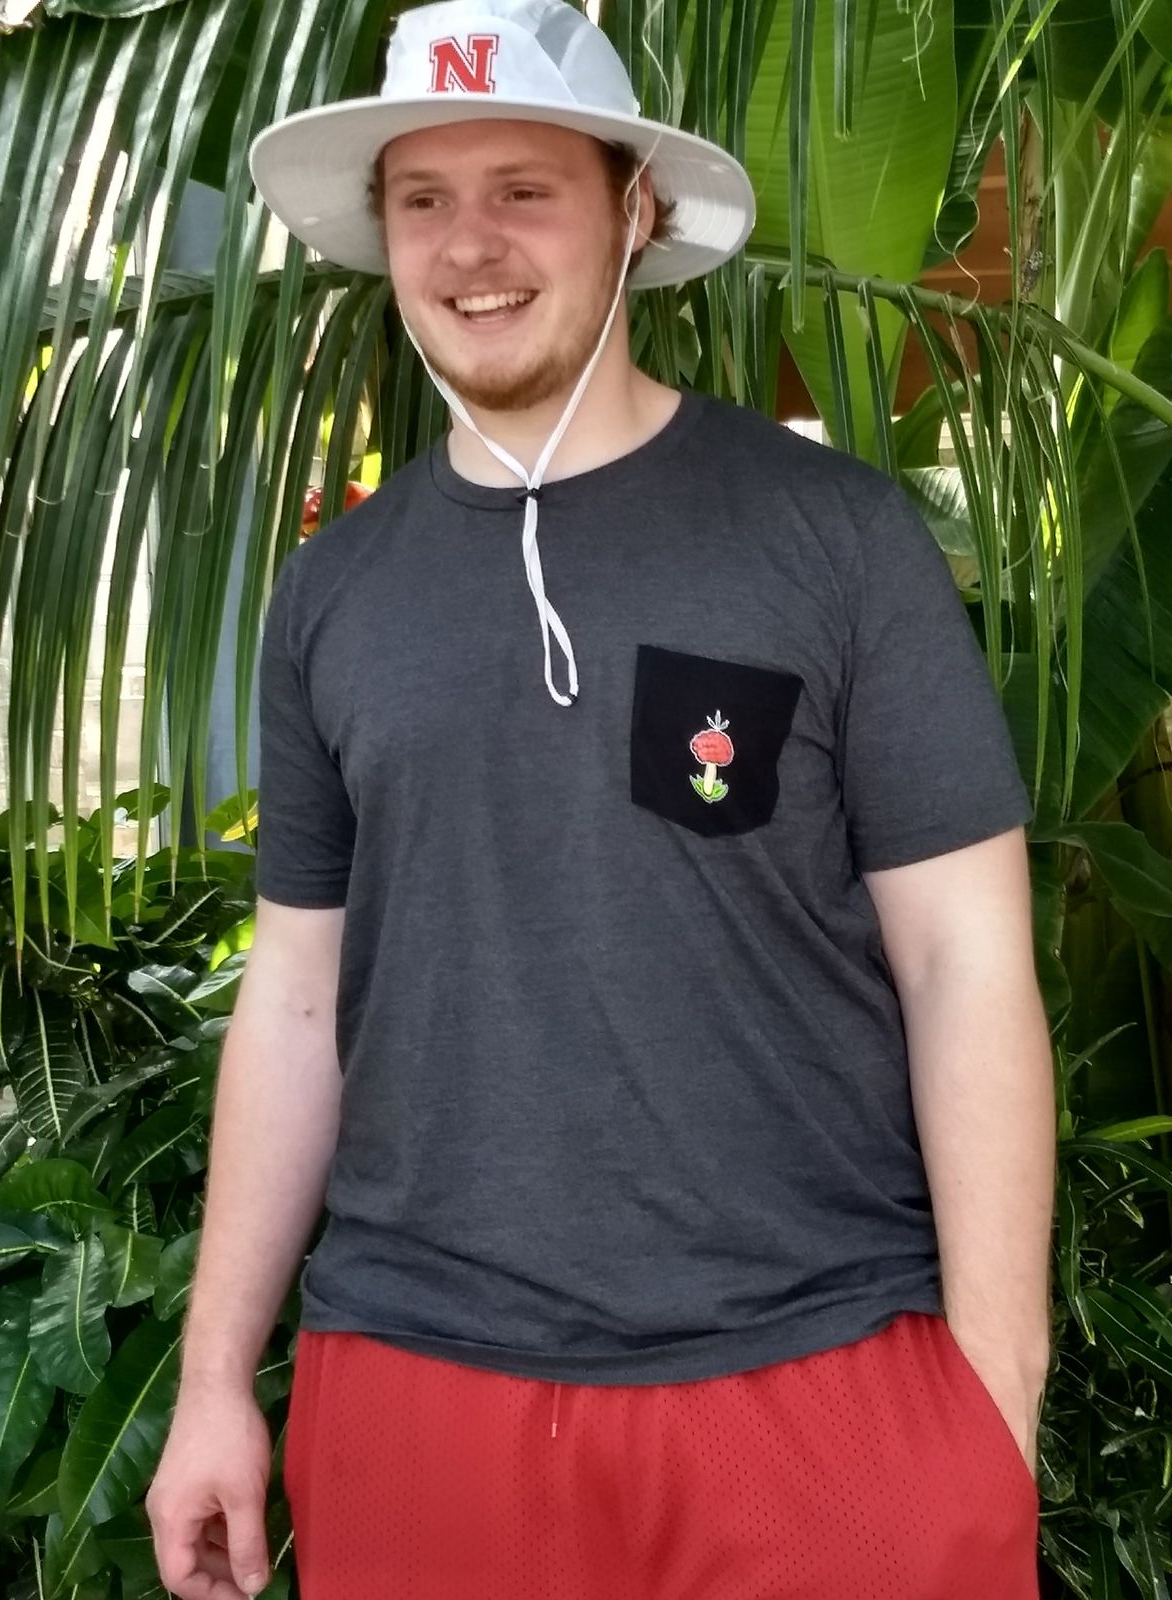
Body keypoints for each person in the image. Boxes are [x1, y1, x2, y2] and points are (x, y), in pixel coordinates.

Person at [145, 0, 1056, 1595]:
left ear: (635, 211)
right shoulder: (334, 593)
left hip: (817, 1370)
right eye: (423, 198)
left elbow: (963, 962)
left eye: (525, 190)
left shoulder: (835, 541)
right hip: (419, 1387)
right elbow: (292, 1001)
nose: (469, 245)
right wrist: (216, 1378)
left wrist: (995, 1396)